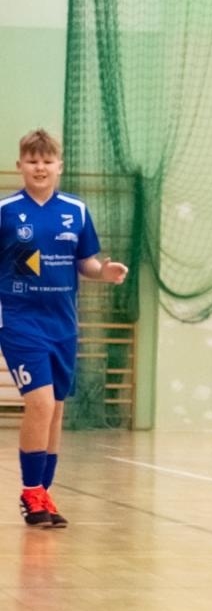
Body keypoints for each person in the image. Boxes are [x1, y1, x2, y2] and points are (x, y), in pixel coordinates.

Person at [2, 129, 128, 527]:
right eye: (32, 160)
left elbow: (86, 263)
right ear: (19, 165)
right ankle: (30, 492)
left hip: (63, 323)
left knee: (55, 408)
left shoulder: (75, 210)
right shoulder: (5, 211)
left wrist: (103, 272)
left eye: (47, 160)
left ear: (60, 166)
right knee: (38, 402)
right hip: (20, 321)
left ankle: (44, 493)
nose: (40, 167)